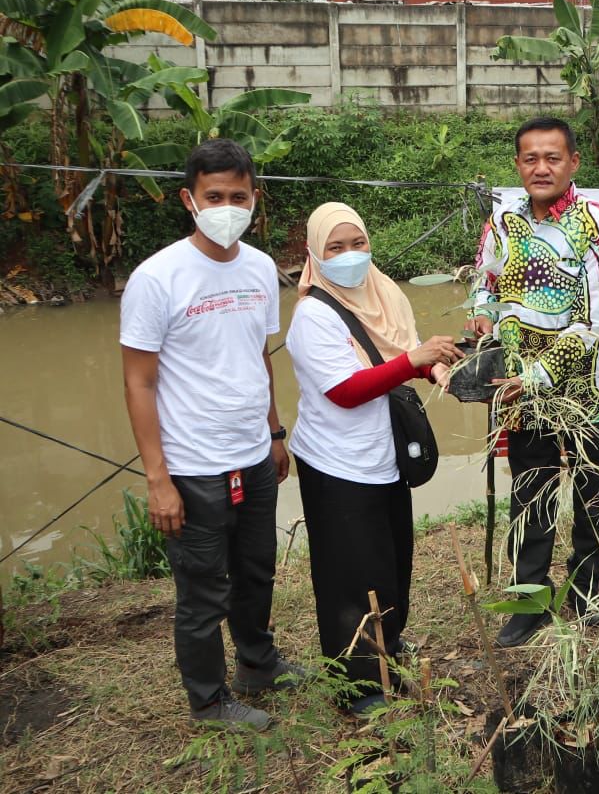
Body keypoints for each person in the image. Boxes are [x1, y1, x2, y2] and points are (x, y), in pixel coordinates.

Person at [120, 139, 304, 730]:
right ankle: (208, 699)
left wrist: (275, 432)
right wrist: (158, 478)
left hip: (253, 454)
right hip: (193, 466)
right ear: (189, 200)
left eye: (239, 196)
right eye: (214, 196)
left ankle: (257, 662)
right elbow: (138, 382)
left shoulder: (257, 267)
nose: (228, 206)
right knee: (203, 591)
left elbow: (259, 357)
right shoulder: (157, 277)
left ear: (255, 199)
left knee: (256, 570)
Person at [286, 202, 464, 714]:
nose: (349, 256)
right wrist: (414, 361)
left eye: (357, 244)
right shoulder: (313, 316)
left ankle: (389, 647)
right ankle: (357, 684)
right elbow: (345, 389)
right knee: (349, 575)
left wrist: (437, 372)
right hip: (336, 464)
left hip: (383, 456)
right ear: (315, 255)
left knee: (389, 562)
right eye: (335, 248)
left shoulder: (384, 293)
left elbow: (402, 354)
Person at [467, 116, 599, 647]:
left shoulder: (596, 226)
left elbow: (592, 321)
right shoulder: (503, 222)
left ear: (573, 162)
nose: (541, 167)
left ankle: (586, 593)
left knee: (592, 494)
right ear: (518, 164)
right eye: (530, 158)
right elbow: (484, 280)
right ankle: (529, 600)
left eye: (552, 157)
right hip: (518, 386)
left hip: (587, 389)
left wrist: (537, 375)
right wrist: (483, 313)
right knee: (529, 493)